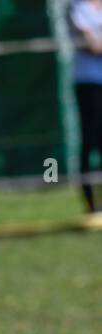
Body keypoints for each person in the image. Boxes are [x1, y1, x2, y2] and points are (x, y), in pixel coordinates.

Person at [71, 0, 102, 212]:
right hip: (89, 82)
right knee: (90, 141)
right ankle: (92, 205)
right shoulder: (77, 8)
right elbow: (92, 46)